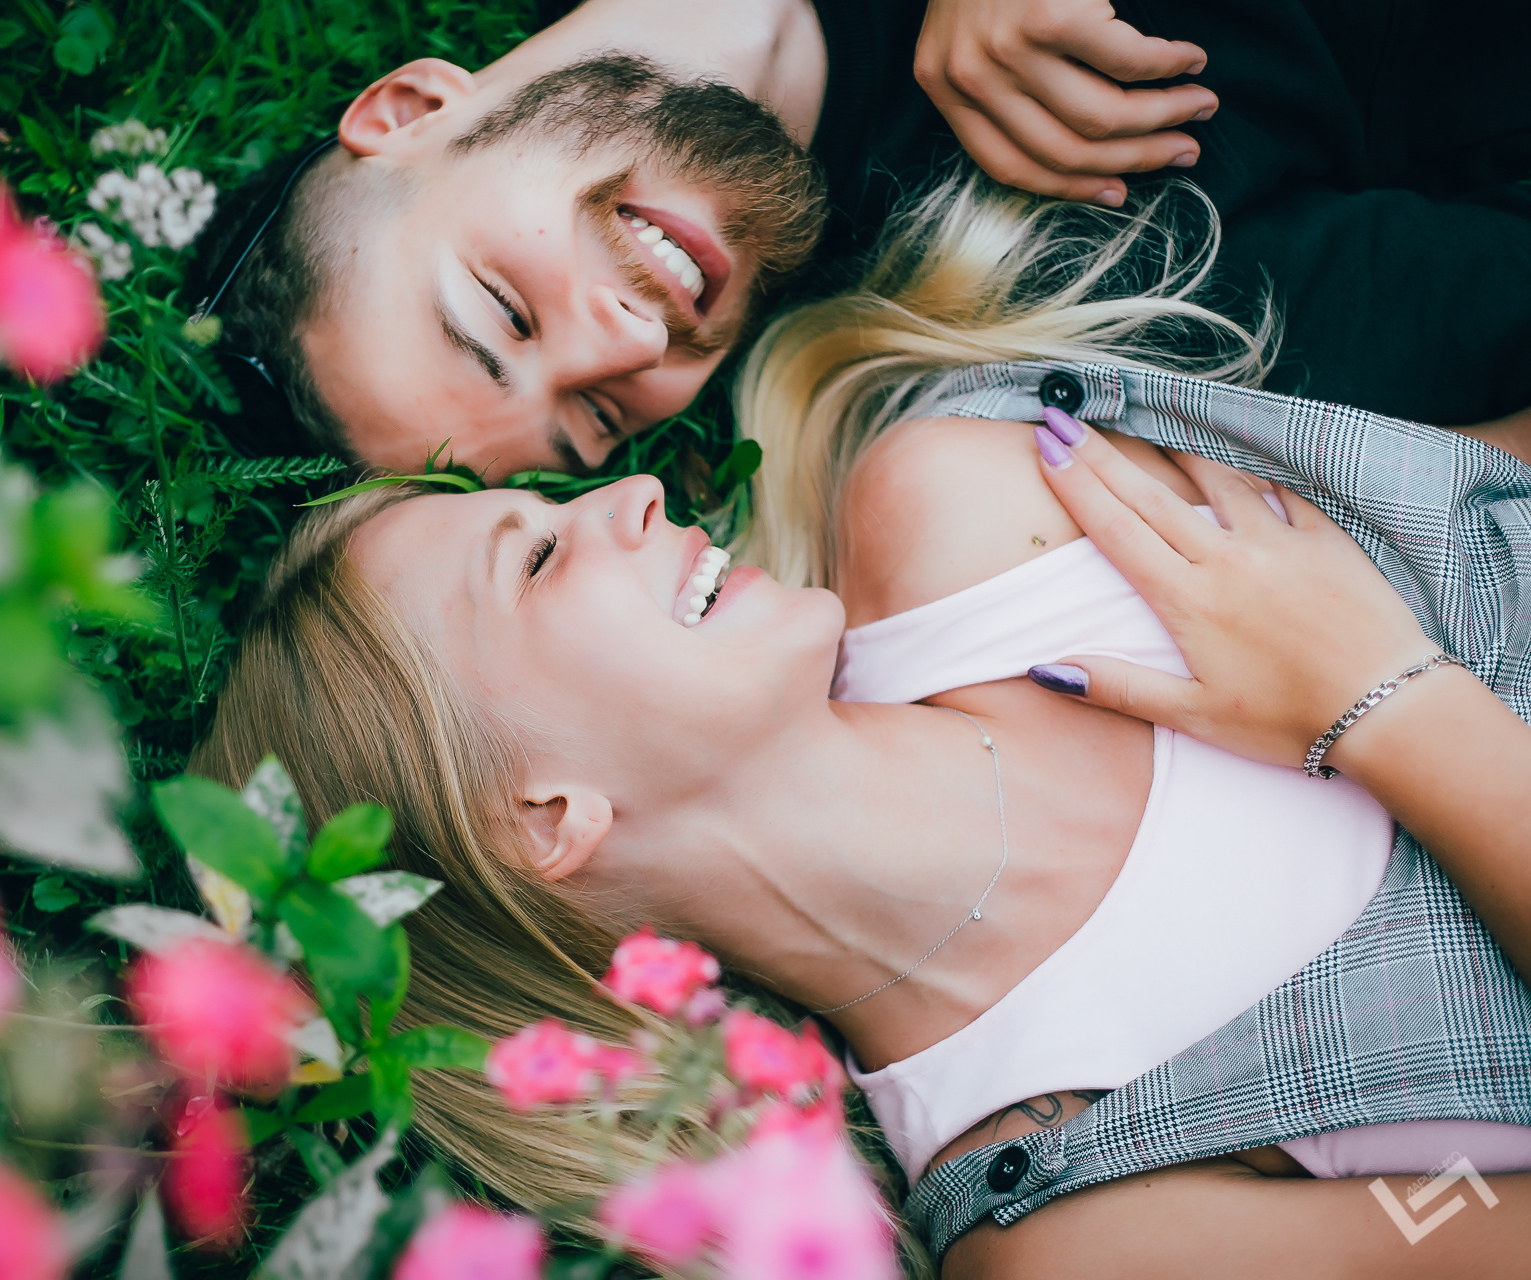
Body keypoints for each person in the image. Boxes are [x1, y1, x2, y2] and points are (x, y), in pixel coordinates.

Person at [190, 175, 1531, 1271]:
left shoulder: (969, 514)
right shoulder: (1072, 1222)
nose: (633, 498)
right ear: (545, 819)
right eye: (537, 559)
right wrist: (1388, 706)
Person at [189, 0, 1531, 476]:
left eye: (503, 311)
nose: (629, 345)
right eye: (595, 422)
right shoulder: (1082, 272)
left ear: (413, 113)